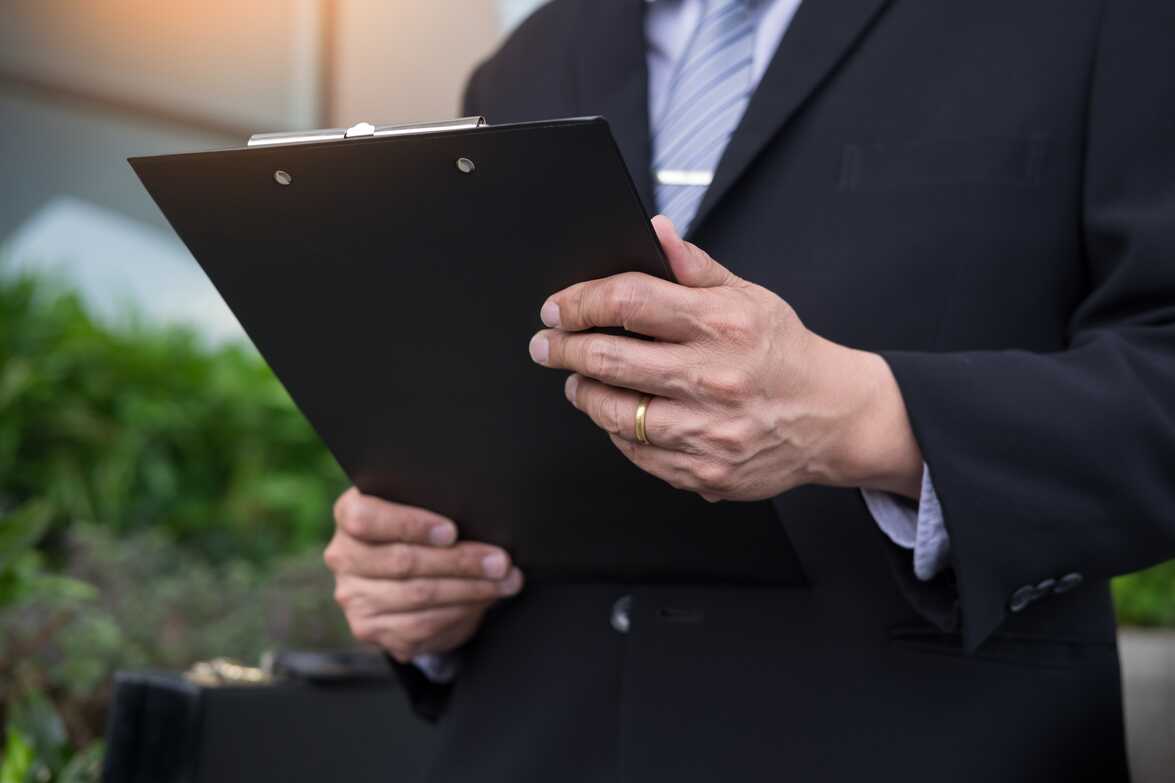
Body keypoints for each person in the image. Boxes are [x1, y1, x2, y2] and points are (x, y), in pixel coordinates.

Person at [322, 0, 1175, 779]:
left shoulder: (1100, 19)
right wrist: (419, 573)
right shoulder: (530, 55)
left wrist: (872, 419)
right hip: (530, 739)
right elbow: (495, 398)